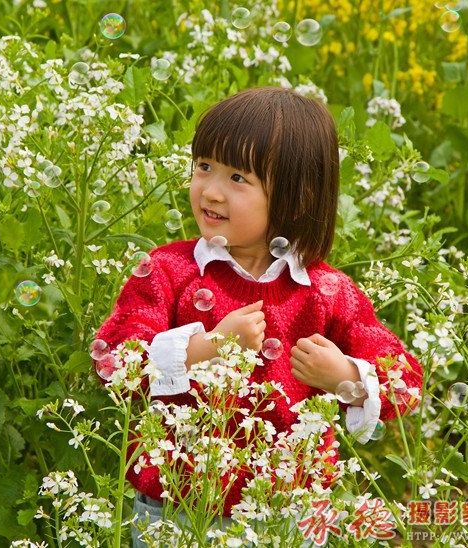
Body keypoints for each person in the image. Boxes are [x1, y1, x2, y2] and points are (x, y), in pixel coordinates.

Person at [93, 86, 423, 546]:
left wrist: (344, 376)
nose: (210, 189)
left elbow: (404, 380)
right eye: (203, 166)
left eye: (237, 178)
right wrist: (207, 348)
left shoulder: (326, 292)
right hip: (178, 507)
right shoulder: (169, 271)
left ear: (297, 196)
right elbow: (113, 360)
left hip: (291, 513)